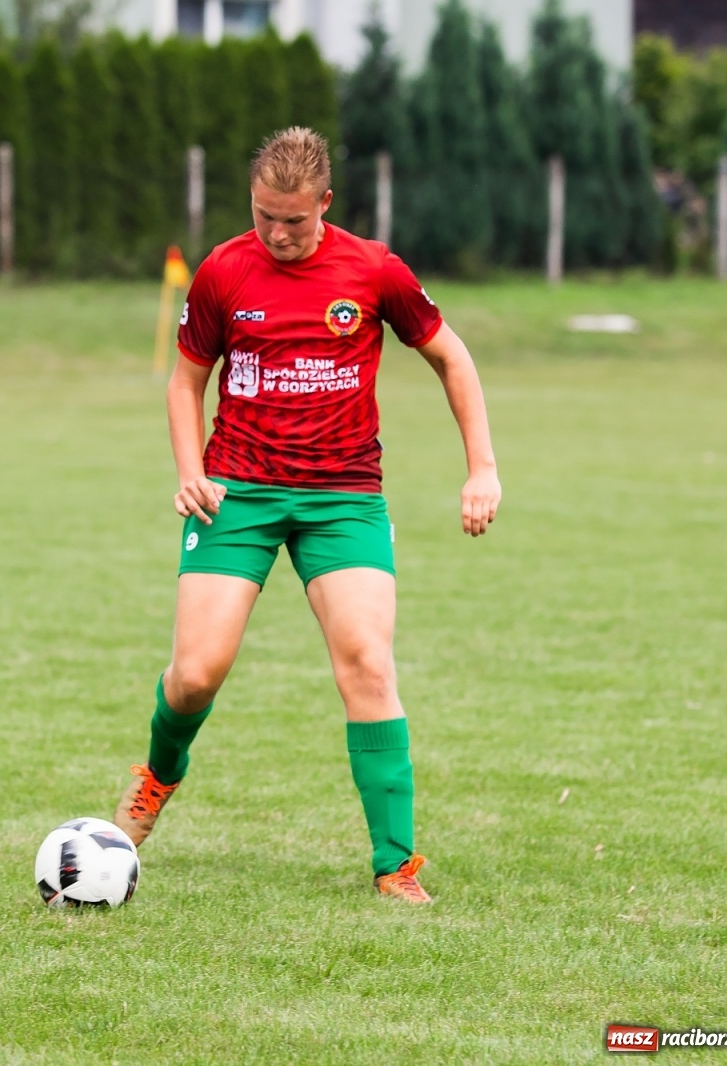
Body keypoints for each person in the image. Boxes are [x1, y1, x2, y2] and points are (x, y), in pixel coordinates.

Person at [111, 128, 501, 903]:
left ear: (325, 203)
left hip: (343, 495)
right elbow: (186, 382)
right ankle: (158, 775)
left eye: (293, 220)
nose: (278, 235)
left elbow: (452, 357)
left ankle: (395, 864)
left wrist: (481, 467)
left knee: (366, 663)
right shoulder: (224, 271)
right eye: (264, 218)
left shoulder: (374, 269)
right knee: (194, 675)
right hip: (239, 490)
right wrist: (190, 472)